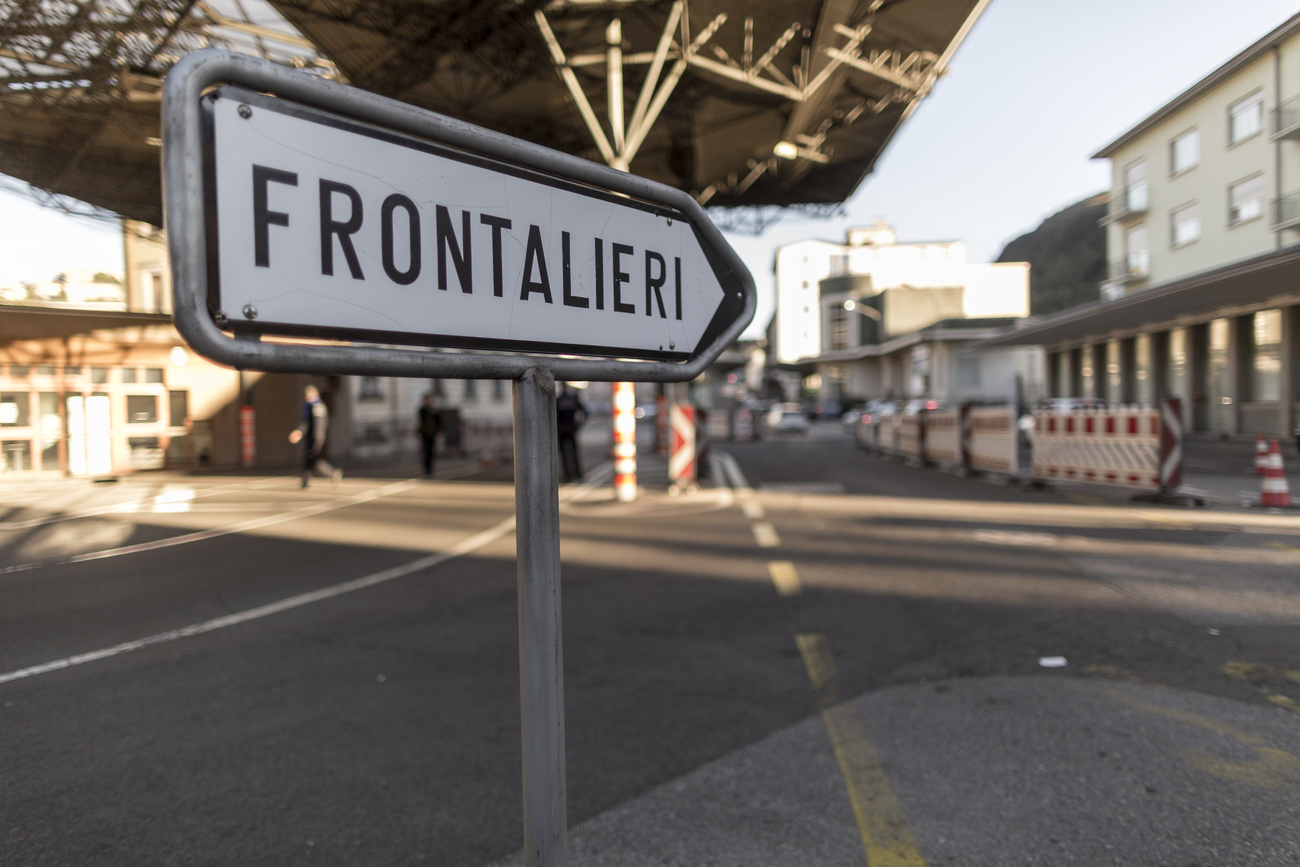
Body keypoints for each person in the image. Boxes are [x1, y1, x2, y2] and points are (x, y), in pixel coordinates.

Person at [289, 384, 341, 488]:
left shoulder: (311, 406)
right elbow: (324, 422)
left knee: (312, 459)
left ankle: (331, 473)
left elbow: (308, 423)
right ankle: (306, 480)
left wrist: (299, 432)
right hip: (318, 436)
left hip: (313, 437)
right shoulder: (321, 405)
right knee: (310, 459)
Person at [555, 383, 587, 483]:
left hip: (561, 430)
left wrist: (557, 425)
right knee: (574, 452)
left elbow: (552, 414)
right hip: (571, 429)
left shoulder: (558, 400)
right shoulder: (573, 398)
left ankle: (568, 476)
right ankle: (578, 474)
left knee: (564, 454)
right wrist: (578, 424)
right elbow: (585, 412)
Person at [417, 393, 442, 476]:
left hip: (432, 433)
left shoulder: (433, 410)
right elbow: (422, 417)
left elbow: (438, 420)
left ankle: (430, 468)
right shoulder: (423, 410)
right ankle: (426, 468)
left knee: (431, 451)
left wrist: (439, 431)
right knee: (426, 451)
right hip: (425, 433)